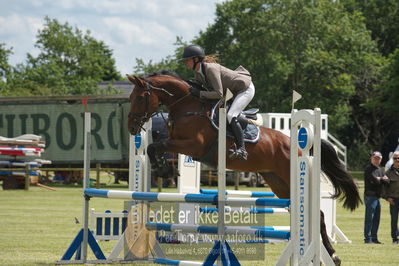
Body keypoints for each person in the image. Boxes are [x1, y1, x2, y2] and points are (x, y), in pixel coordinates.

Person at [181, 44, 255, 160]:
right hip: (230, 92)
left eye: (187, 60)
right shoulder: (198, 72)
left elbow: (218, 94)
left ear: (196, 59)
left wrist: (199, 94)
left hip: (244, 89)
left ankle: (242, 149)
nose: (185, 63)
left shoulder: (210, 69)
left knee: (231, 115)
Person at [363, 151, 385, 244]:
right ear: (371, 158)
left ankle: (374, 238)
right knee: (369, 218)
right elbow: (374, 181)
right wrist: (381, 179)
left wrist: (379, 179)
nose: (377, 160)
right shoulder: (369, 169)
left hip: (377, 197)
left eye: (378, 158)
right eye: (375, 158)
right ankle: (368, 239)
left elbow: (387, 182)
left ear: (381, 159)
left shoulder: (380, 170)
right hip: (370, 196)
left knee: (376, 218)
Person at [382, 151, 399, 244]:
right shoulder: (388, 173)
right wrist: (387, 198)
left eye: (398, 158)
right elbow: (383, 188)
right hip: (394, 200)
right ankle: (395, 238)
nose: (397, 160)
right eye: (395, 158)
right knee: (394, 220)